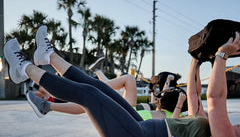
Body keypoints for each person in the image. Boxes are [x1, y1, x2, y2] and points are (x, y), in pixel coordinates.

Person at [4, 25, 240, 137]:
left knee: (89, 95)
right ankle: (48, 55)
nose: (239, 125)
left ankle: (23, 68)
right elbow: (193, 92)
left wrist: (222, 56)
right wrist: (197, 59)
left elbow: (216, 98)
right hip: (140, 128)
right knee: (102, 88)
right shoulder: (211, 129)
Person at [26, 56, 186, 119]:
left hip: (130, 118)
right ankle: (48, 105)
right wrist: (169, 83)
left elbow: (193, 114)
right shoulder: (160, 105)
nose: (165, 93)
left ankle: (48, 105)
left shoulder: (175, 116)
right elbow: (162, 93)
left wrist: (180, 103)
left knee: (90, 98)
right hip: (130, 110)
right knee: (128, 79)